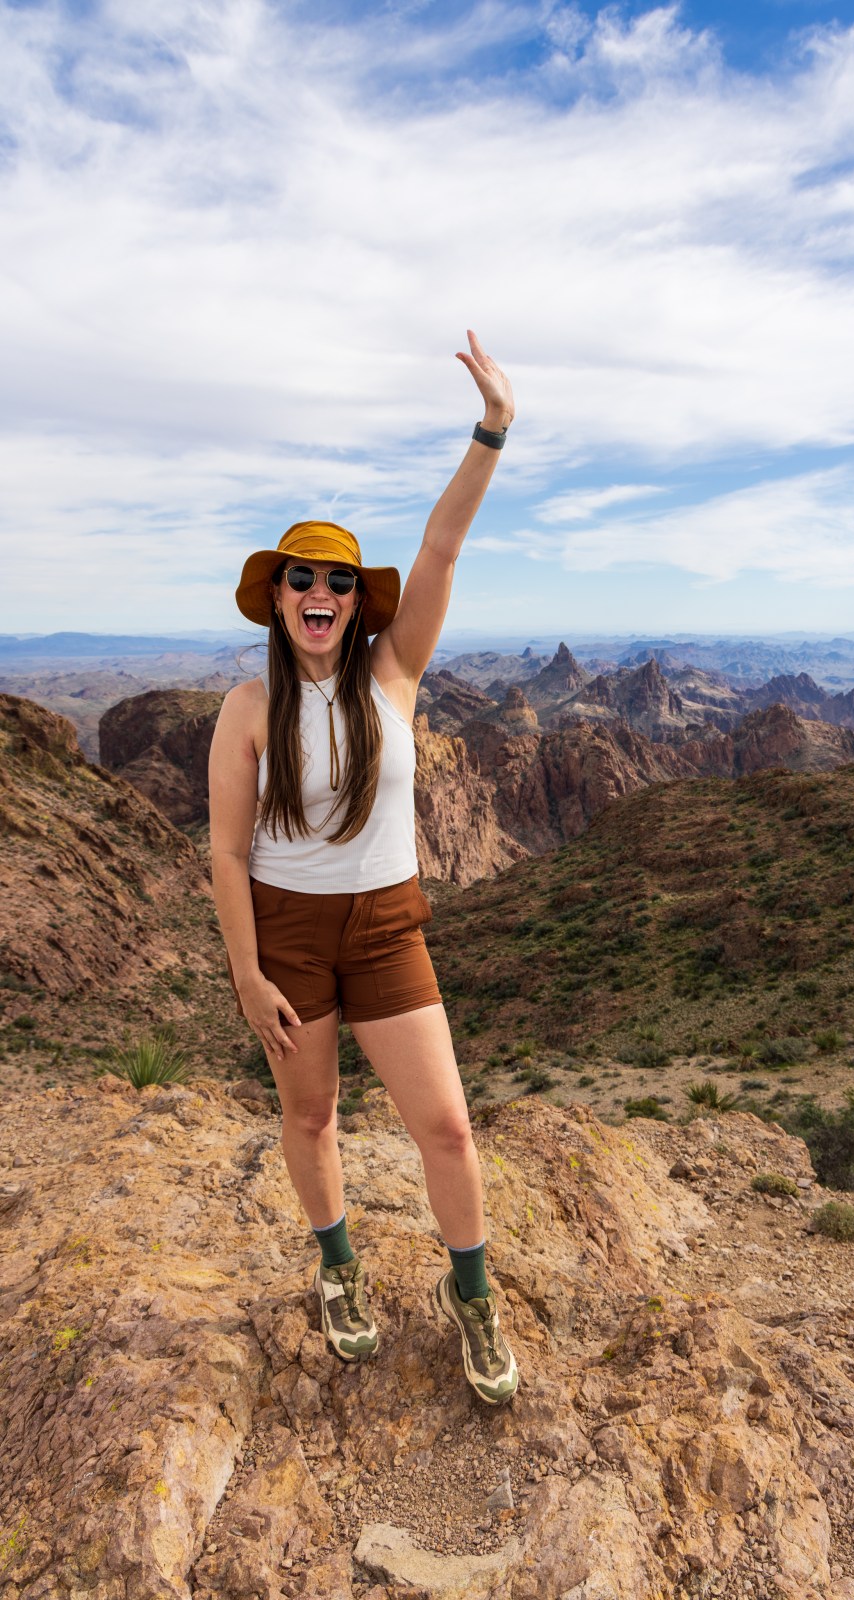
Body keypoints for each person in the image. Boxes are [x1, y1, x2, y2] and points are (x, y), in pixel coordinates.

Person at [208, 331, 518, 1405]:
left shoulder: (393, 674)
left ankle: (470, 1293)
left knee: (446, 1124)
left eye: (338, 581)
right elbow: (227, 850)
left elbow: (438, 550)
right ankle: (338, 1269)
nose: (321, 594)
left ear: (354, 599)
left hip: (386, 927)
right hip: (288, 936)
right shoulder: (248, 710)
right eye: (304, 580)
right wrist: (248, 975)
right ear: (279, 597)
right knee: (310, 1118)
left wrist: (490, 430)